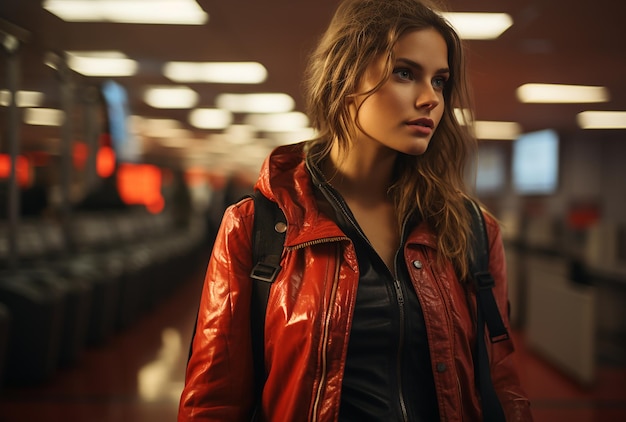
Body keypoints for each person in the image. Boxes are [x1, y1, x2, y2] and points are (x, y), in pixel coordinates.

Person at [178, 0, 533, 420]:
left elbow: (501, 383)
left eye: (439, 81)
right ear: (346, 76)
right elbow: (213, 401)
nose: (430, 99)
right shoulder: (260, 227)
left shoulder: (470, 229)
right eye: (405, 73)